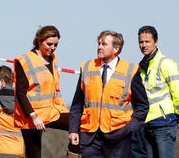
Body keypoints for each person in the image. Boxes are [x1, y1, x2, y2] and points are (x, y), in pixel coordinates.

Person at [68, 30, 149, 158]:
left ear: (116, 48)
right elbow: (77, 103)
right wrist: (73, 130)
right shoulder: (87, 67)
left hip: (119, 136)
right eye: (99, 43)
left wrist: (130, 129)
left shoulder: (131, 70)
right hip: (90, 137)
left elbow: (143, 105)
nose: (99, 47)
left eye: (104, 44)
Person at [14, 25, 80, 158]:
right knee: (34, 154)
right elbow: (20, 93)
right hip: (31, 116)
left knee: (80, 125)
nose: (53, 48)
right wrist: (34, 117)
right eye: (49, 44)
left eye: (56, 45)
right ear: (39, 41)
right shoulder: (25, 60)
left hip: (52, 111)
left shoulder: (52, 59)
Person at [131, 26, 179, 158]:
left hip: (164, 122)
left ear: (156, 42)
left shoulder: (166, 63)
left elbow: (177, 91)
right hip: (147, 123)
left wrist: (178, 115)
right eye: (141, 42)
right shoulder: (141, 67)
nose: (144, 45)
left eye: (147, 41)